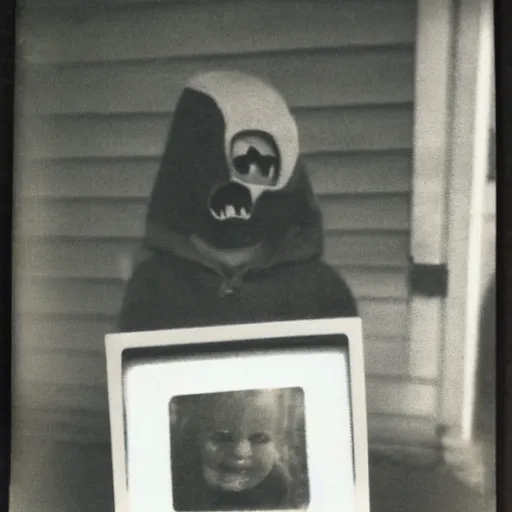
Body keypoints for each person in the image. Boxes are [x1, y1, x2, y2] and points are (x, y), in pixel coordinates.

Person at [117, 69, 358, 333]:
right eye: (242, 163)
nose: (244, 183)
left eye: (263, 166)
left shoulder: (321, 290)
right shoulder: (154, 288)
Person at [170, 389, 307, 510]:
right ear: (195, 439)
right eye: (223, 436)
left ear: (279, 447)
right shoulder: (177, 490)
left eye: (259, 438)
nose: (241, 452)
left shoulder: (284, 493)